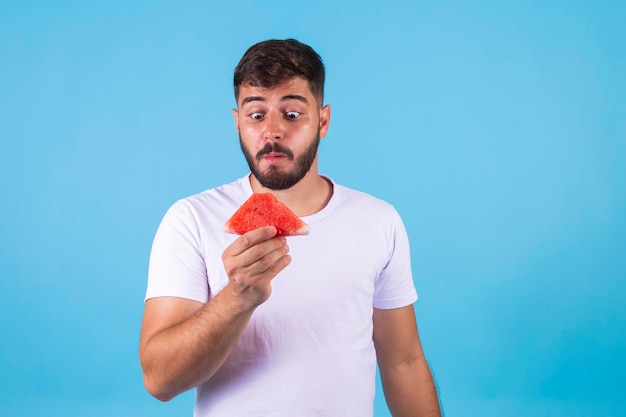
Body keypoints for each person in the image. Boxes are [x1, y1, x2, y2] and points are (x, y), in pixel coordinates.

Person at [139, 38, 442, 417]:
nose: (272, 132)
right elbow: (160, 380)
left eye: (292, 114)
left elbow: (404, 363)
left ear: (324, 121)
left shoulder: (379, 220)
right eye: (256, 115)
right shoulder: (191, 219)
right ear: (237, 123)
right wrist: (237, 297)